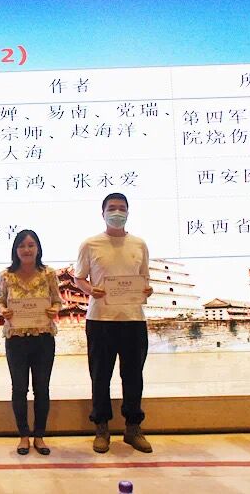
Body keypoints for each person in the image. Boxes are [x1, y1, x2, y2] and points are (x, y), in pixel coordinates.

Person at [73, 192, 154, 454]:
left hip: (133, 320)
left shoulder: (139, 244)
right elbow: (79, 278)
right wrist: (90, 290)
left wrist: (146, 290)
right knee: (100, 376)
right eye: (112, 208)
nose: (117, 212)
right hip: (100, 320)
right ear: (103, 213)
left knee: (133, 376)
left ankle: (133, 428)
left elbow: (144, 279)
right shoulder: (90, 244)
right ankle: (101, 428)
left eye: (121, 208)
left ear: (128, 212)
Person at [0, 229, 62, 456]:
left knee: (42, 389)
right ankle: (23, 435)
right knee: (19, 388)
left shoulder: (49, 274)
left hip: (43, 338)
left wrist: (54, 309)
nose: (26, 249)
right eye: (22, 246)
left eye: (31, 245)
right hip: (16, 339)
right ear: (15, 250)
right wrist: (3, 310)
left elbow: (57, 300)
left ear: (38, 248)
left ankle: (39, 436)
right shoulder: (6, 275)